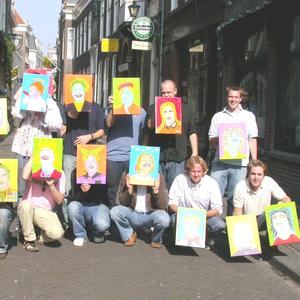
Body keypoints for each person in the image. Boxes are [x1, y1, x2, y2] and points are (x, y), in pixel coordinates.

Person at [208, 85, 258, 216]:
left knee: (235, 198)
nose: (233, 99)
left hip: (240, 164)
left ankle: (231, 231)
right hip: (220, 162)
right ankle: (213, 227)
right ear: (227, 97)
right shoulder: (218, 117)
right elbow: (211, 141)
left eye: (236, 97)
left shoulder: (249, 116)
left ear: (241, 98)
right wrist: (222, 138)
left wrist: (255, 161)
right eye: (230, 96)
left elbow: (252, 139)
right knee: (214, 195)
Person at [12, 85, 63, 202]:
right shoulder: (25, 98)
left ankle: (38, 210)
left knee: (40, 184)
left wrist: (43, 115)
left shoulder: (50, 102)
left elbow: (57, 125)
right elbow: (17, 114)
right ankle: (22, 213)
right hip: (23, 147)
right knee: (21, 183)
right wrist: (23, 99)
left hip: (42, 149)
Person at [145, 79, 198, 190]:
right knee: (157, 191)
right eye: (163, 93)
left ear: (175, 91)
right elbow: (149, 126)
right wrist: (159, 114)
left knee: (175, 191)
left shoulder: (186, 109)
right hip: (158, 157)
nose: (166, 95)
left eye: (169, 92)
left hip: (177, 157)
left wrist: (195, 153)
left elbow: (192, 132)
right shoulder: (153, 107)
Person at [62, 102, 105, 227]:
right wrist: (73, 111)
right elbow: (63, 129)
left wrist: (89, 136)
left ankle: (91, 221)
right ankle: (68, 223)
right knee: (68, 190)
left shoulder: (97, 107)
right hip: (70, 152)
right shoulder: (68, 105)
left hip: (90, 154)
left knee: (91, 188)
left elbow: (101, 131)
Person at [168, 156, 226, 247]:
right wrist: (186, 214)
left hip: (203, 215)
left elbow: (218, 209)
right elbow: (172, 204)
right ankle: (179, 239)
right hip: (183, 215)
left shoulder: (211, 183)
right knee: (173, 221)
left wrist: (200, 216)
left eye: (199, 171)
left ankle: (205, 237)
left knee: (220, 225)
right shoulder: (180, 179)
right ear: (187, 171)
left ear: (203, 171)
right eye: (193, 171)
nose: (196, 175)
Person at [105, 95, 146, 208]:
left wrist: (142, 152)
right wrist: (114, 108)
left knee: (131, 189)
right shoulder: (110, 110)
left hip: (132, 156)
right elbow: (108, 124)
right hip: (112, 156)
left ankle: (126, 217)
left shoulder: (141, 112)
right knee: (112, 191)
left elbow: (144, 133)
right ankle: (112, 218)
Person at [110, 172, 170, 248]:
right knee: (115, 211)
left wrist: (156, 191)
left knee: (164, 218)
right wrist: (129, 190)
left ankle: (155, 239)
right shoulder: (127, 175)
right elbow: (121, 202)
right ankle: (129, 234)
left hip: (151, 214)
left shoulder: (158, 176)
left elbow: (162, 206)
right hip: (133, 213)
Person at [17, 157, 65, 252]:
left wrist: (51, 185)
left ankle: (38, 235)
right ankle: (29, 240)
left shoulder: (60, 173)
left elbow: (59, 200)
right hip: (28, 207)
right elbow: (25, 176)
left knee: (57, 233)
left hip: (45, 210)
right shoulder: (35, 168)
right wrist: (34, 155)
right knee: (25, 204)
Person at [233, 159, 291, 229]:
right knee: (231, 230)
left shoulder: (269, 181)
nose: (256, 178)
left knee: (279, 213)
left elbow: (287, 199)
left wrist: (281, 204)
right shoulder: (240, 186)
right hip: (247, 220)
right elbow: (237, 213)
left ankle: (272, 239)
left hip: (264, 218)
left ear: (264, 176)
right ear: (248, 174)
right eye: (253, 174)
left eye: (259, 174)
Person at [68, 170, 110, 246]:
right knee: (72, 206)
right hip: (82, 205)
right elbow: (75, 197)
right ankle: (80, 235)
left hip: (99, 205)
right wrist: (82, 190)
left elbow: (105, 194)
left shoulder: (103, 170)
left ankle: (96, 231)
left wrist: (92, 185)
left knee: (102, 225)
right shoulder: (75, 172)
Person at [0, 164, 16, 259]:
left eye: (3, 175)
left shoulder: (10, 188)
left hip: (3, 206)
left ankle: (1, 247)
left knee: (3, 214)